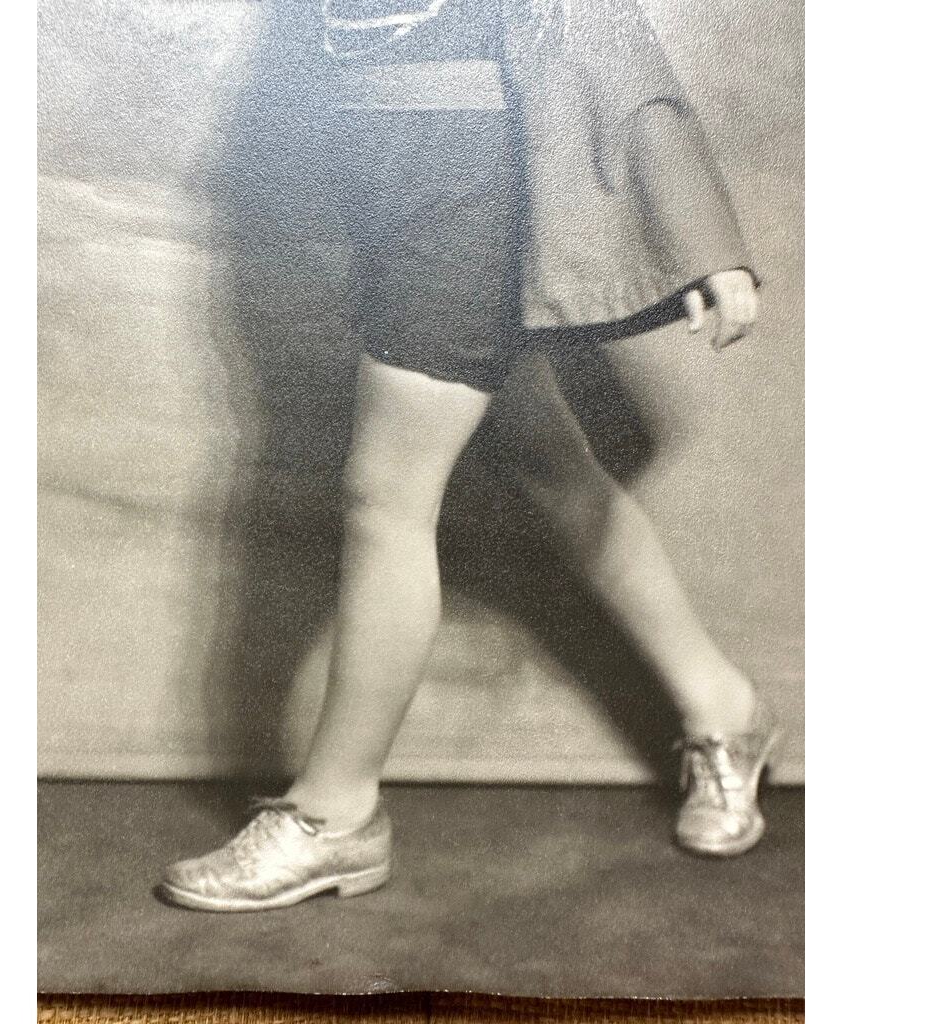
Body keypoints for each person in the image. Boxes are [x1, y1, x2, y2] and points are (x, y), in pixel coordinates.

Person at [160, 0, 781, 913]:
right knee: (549, 468)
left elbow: (605, 32)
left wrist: (703, 242)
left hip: (462, 182)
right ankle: (724, 707)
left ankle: (335, 815)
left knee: (385, 499)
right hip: (371, 172)